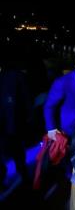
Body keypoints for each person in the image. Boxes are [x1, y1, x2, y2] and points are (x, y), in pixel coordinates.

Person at [0, 64, 31, 196]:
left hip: (10, 123)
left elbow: (25, 99)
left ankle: (23, 180)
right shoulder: (17, 75)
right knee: (17, 152)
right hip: (11, 123)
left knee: (14, 151)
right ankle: (24, 180)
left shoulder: (14, 75)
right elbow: (27, 100)